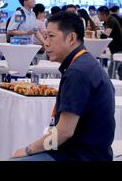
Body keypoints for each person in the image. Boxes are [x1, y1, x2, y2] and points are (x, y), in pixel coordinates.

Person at [12, 11, 115, 161]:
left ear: (71, 38)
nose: (46, 42)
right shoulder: (85, 63)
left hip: (78, 156)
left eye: (51, 36)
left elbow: (64, 132)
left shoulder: (78, 72)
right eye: (45, 36)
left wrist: (28, 150)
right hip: (88, 151)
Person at [98, 6, 122, 80]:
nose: (98, 16)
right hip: (116, 49)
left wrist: (98, 33)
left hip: (119, 49)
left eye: (98, 14)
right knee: (117, 70)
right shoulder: (109, 21)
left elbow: (105, 35)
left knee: (112, 70)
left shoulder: (111, 21)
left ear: (104, 15)